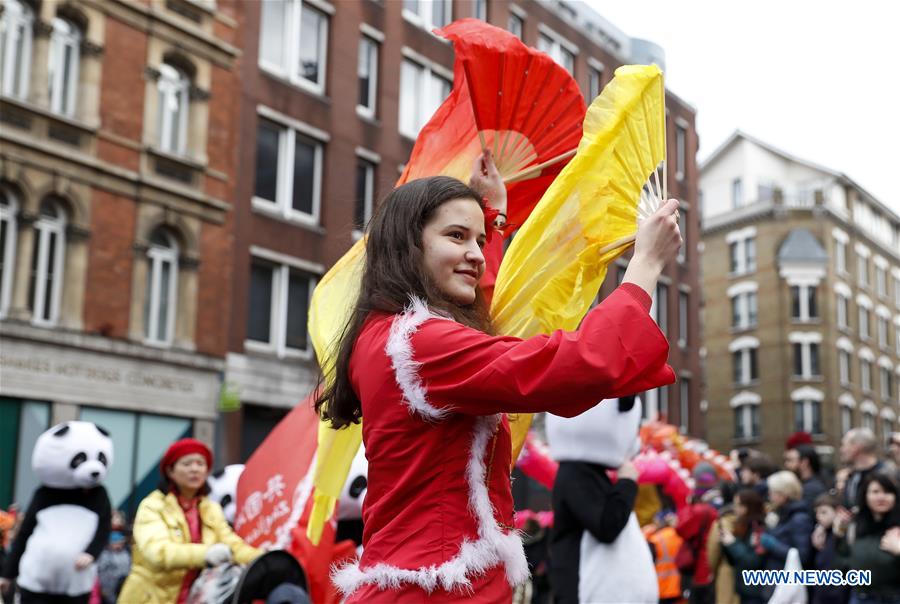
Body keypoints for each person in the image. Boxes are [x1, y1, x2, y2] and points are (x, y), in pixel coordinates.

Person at [318, 152, 682, 602]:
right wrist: (646, 263)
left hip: (427, 578)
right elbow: (574, 364)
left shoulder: (387, 333)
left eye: (479, 239)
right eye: (456, 236)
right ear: (407, 245)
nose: (475, 253)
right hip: (437, 590)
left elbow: (473, 327)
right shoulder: (420, 344)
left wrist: (494, 218)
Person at [118, 438, 262, 603]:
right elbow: (157, 551)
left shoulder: (210, 508)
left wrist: (261, 558)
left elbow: (232, 544)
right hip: (150, 597)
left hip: (194, 597)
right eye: (187, 464)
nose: (195, 469)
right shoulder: (153, 505)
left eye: (200, 464)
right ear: (170, 471)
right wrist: (206, 554)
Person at [833, 472, 900, 604]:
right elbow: (844, 559)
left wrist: (898, 550)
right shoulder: (855, 525)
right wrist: (838, 535)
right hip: (861, 596)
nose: (881, 497)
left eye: (887, 492)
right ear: (865, 496)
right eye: (875, 492)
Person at [760, 471, 814, 574]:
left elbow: (802, 556)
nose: (769, 496)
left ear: (784, 494)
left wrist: (773, 545)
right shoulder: (782, 513)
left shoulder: (799, 518)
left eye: (773, 492)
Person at [719, 489, 767, 604]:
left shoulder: (758, 528)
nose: (734, 508)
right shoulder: (741, 525)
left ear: (748, 507)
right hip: (743, 589)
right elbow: (733, 561)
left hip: (755, 591)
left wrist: (732, 543)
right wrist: (726, 543)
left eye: (738, 505)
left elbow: (753, 561)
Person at [809, 494, 849, 604]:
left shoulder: (842, 533)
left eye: (824, 512)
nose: (818, 516)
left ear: (838, 511)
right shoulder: (821, 534)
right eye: (817, 512)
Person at [839, 428, 885, 510]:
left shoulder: (886, 475)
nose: (841, 450)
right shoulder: (850, 476)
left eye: (844, 445)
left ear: (855, 448)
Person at [784, 443, 828, 511]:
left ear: (804, 462)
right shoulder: (803, 485)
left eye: (790, 460)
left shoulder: (812, 489)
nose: (786, 464)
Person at [95, 531, 130, 604]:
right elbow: (101, 573)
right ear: (110, 543)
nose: (120, 545)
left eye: (121, 543)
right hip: (110, 588)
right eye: (117, 543)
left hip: (125, 586)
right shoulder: (104, 555)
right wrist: (104, 590)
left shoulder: (126, 553)